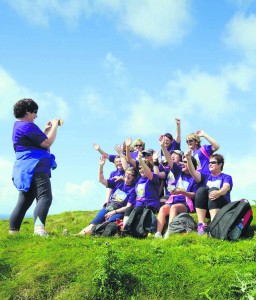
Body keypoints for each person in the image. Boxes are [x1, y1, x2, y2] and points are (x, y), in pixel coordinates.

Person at [9, 98, 61, 236]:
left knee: (24, 201)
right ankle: (39, 230)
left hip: (24, 168)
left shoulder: (18, 126)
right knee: (45, 197)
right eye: (34, 112)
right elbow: (46, 143)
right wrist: (55, 125)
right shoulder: (28, 126)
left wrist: (45, 130)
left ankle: (13, 233)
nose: (36, 115)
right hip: (35, 167)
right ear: (27, 111)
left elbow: (35, 141)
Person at [78, 156, 137, 235]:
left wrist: (114, 212)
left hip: (119, 211)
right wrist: (101, 166)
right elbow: (101, 180)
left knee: (106, 224)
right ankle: (78, 235)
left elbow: (128, 207)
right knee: (95, 222)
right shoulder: (117, 181)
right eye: (126, 174)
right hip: (109, 206)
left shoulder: (133, 190)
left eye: (130, 175)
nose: (128, 175)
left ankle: (93, 234)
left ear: (134, 178)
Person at [154, 136, 200, 239]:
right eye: (183, 162)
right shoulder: (178, 172)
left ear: (191, 165)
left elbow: (194, 195)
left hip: (184, 203)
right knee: (164, 208)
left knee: (173, 208)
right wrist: (163, 147)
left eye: (185, 162)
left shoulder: (195, 177)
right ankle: (158, 233)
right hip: (173, 200)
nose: (183, 164)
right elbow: (170, 160)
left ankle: (169, 232)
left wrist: (182, 192)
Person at [185, 150, 233, 235]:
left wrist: (218, 192)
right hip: (207, 207)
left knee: (213, 189)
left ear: (220, 164)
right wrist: (188, 159)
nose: (210, 164)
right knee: (200, 190)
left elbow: (226, 187)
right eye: (209, 162)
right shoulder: (206, 176)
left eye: (213, 162)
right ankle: (201, 224)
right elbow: (193, 172)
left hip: (222, 207)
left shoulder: (226, 177)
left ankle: (214, 225)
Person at [122, 151, 160, 230]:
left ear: (149, 168)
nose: (141, 170)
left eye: (143, 167)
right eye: (140, 168)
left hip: (150, 205)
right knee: (128, 209)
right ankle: (125, 228)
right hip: (138, 206)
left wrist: (141, 160)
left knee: (138, 210)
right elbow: (127, 170)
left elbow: (149, 173)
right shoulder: (138, 181)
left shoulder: (154, 177)